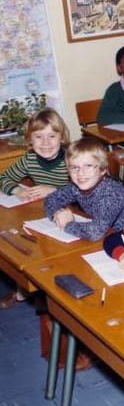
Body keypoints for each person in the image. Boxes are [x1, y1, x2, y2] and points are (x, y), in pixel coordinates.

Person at [0, 108, 70, 309]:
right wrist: (18, 190)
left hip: (73, 213)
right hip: (42, 213)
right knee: (21, 241)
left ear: (62, 137)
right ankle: (24, 288)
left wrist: (54, 190)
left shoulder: (71, 158)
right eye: (39, 137)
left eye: (51, 136)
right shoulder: (29, 159)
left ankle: (55, 294)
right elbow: (3, 178)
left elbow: (85, 189)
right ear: (30, 140)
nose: (45, 143)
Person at [45, 137, 124, 241]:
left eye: (88, 166)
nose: (80, 173)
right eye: (74, 167)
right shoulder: (75, 186)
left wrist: (68, 224)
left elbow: (95, 232)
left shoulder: (111, 194)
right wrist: (58, 213)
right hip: (108, 236)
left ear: (102, 170)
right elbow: (51, 199)